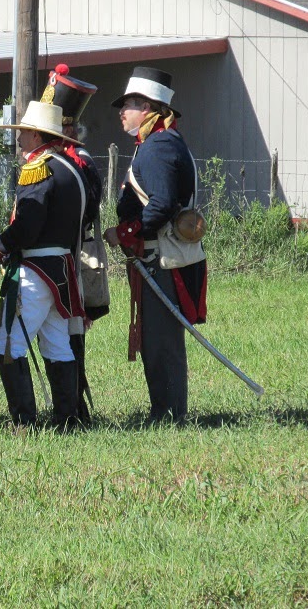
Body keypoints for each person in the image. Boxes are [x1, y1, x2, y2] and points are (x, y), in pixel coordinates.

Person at [103, 67, 207, 423]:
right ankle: (165, 409)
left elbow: (161, 205)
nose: (123, 111)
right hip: (160, 255)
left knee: (161, 342)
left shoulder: (159, 147)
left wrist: (126, 233)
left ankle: (169, 413)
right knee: (156, 340)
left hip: (162, 257)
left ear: (148, 108)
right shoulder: (160, 143)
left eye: (130, 104)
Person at [0, 101, 87, 430]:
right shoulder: (72, 169)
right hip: (60, 268)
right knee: (57, 342)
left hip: (35, 270)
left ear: (36, 134)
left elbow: (27, 225)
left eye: (23, 133)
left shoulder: (37, 168)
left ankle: (23, 423)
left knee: (7, 343)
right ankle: (67, 421)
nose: (19, 139)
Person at [39, 63, 105, 424]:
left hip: (73, 258)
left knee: (70, 331)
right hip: (50, 259)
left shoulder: (80, 163)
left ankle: (74, 410)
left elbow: (85, 213)